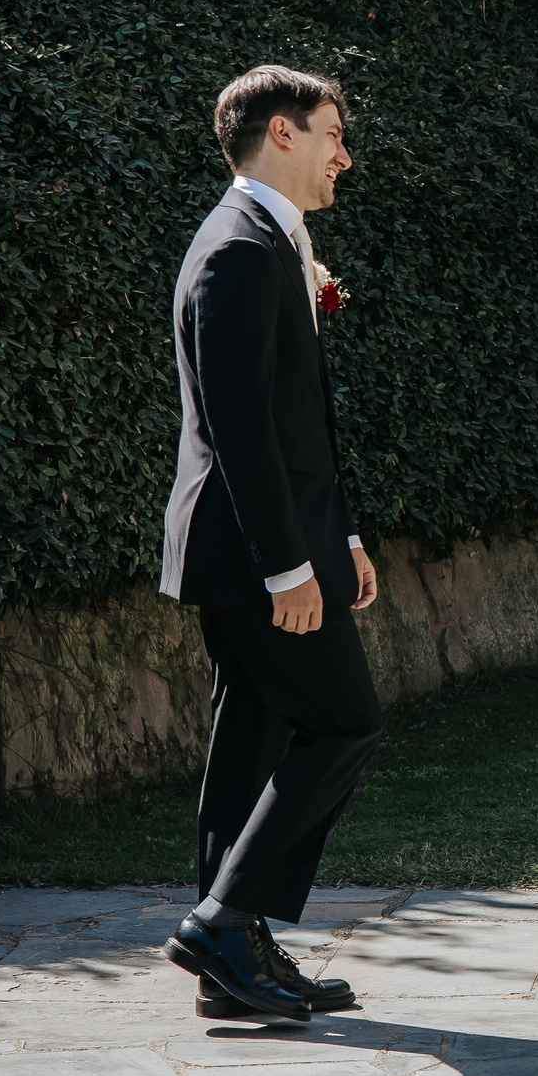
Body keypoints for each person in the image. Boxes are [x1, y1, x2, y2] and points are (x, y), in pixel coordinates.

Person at [158, 66, 383, 1023]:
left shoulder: (272, 242)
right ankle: (222, 923)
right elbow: (238, 428)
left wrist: (347, 537)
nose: (345, 154)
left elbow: (297, 423)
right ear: (281, 134)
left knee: (250, 737)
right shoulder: (241, 251)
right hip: (255, 554)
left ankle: (232, 958)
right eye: (333, 133)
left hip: (277, 540)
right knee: (344, 723)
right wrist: (289, 567)